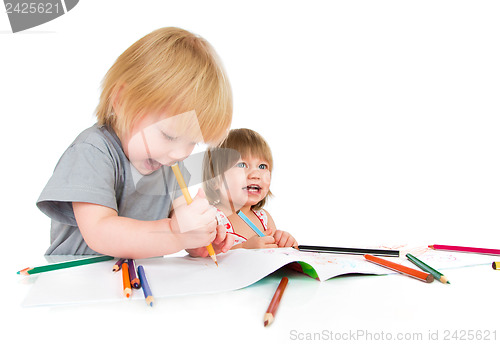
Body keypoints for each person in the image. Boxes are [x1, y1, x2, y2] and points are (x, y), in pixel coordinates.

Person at [37, 27, 234, 259]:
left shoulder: (167, 161)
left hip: (136, 284)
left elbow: (179, 220)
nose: (179, 154)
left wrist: (197, 238)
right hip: (79, 281)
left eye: (192, 142)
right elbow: (100, 231)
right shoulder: (92, 152)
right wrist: (174, 233)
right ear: (121, 101)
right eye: (169, 135)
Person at [199, 128, 298, 252]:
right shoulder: (211, 218)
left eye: (262, 166)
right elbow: (199, 254)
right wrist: (244, 248)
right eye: (241, 165)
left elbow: (273, 256)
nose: (255, 174)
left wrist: (285, 243)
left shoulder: (264, 218)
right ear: (215, 180)